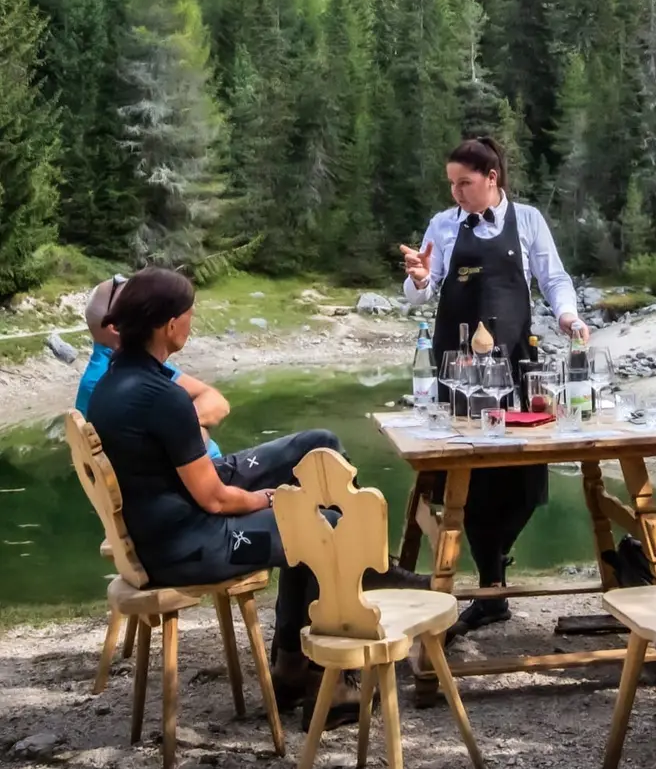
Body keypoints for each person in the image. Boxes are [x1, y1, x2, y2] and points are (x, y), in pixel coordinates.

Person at [86, 266, 421, 730]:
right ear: (169, 326)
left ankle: (290, 667)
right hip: (192, 548)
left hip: (163, 535)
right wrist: (276, 499)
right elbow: (217, 501)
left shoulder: (114, 382)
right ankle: (332, 682)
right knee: (324, 525)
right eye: (189, 315)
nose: (191, 323)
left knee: (315, 490)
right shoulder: (162, 398)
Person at [400, 135, 588, 637]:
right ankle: (491, 591)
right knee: (471, 480)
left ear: (492, 178)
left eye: (465, 183)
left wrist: (568, 317)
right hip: (457, 366)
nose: (457, 193)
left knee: (525, 476)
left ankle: (494, 558)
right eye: (452, 184)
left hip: (516, 362)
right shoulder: (443, 225)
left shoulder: (527, 221)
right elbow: (420, 295)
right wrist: (418, 278)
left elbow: (553, 278)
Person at [76, 275, 228, 460]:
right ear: (115, 326)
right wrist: (190, 431)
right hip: (201, 480)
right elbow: (159, 455)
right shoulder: (110, 382)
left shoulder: (138, 363)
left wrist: (184, 426)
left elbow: (215, 400)